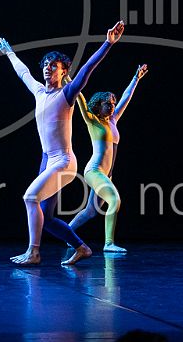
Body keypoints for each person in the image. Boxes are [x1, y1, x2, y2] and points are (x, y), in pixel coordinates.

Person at [0, 21, 125, 266]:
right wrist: (10, 53)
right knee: (46, 217)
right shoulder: (39, 92)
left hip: (64, 161)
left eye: (54, 66)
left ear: (63, 71)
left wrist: (107, 43)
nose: (48, 68)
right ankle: (81, 247)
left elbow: (87, 69)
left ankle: (34, 252)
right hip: (47, 160)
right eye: (46, 65)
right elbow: (23, 73)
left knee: (30, 198)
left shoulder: (66, 94)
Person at [68, 64, 148, 254]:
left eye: (113, 103)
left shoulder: (113, 121)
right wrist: (71, 82)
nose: (112, 106)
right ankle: (109, 243)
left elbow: (126, 98)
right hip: (94, 171)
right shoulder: (92, 120)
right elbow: (80, 99)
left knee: (90, 211)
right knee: (114, 201)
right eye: (108, 104)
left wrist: (136, 79)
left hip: (106, 174)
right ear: (98, 105)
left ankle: (66, 233)